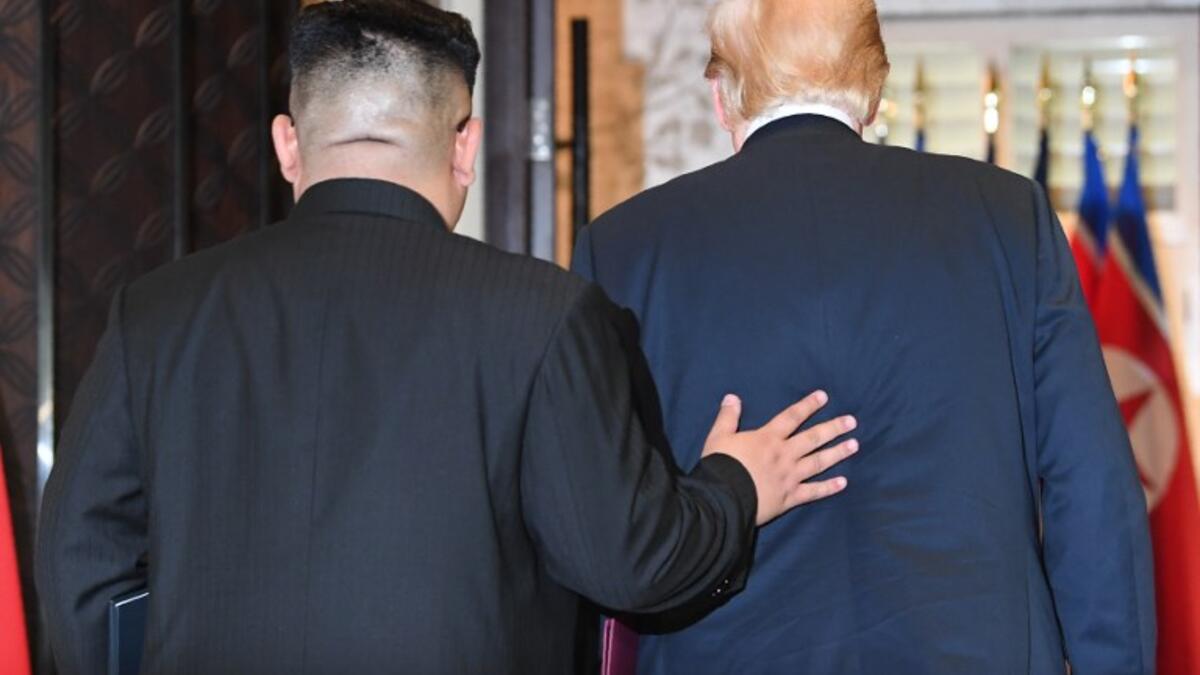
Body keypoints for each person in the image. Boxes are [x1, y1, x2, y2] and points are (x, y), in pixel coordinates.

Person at [34, 2, 863, 673]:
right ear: (465, 145)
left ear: (290, 145)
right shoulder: (544, 314)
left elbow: (80, 562)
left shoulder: (157, 311)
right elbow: (628, 562)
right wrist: (737, 484)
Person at [574, 0, 1155, 673]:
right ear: (874, 88)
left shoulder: (623, 249)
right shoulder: (1007, 219)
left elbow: (603, 528)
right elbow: (1094, 493)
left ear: (719, 95)